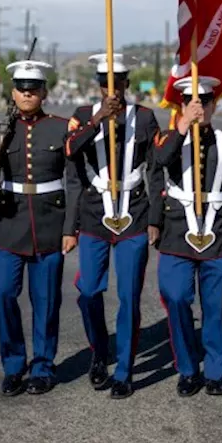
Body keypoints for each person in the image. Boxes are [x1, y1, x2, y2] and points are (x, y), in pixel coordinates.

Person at [63, 53, 161, 399]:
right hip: (93, 214)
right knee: (89, 290)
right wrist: (98, 119)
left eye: (117, 83)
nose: (111, 89)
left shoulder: (145, 118)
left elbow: (156, 170)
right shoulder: (81, 116)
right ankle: (99, 350)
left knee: (129, 295)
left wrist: (156, 218)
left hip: (134, 212)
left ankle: (124, 370)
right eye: (105, 83)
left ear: (127, 85)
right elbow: (70, 152)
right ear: (98, 85)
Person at [0, 60, 71, 397]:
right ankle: (14, 365)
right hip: (7, 225)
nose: (27, 94)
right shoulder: (0, 131)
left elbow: (73, 182)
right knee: (1, 293)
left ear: (43, 92)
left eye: (33, 89)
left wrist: (70, 228)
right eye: (21, 89)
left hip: (49, 224)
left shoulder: (61, 128)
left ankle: (43, 367)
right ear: (13, 93)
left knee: (46, 302)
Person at [151, 75, 222, 397]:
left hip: (219, 232)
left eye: (204, 102)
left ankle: (216, 371)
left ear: (213, 105)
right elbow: (160, 161)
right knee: (176, 297)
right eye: (191, 102)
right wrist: (182, 126)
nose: (198, 108)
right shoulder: (168, 137)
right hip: (177, 232)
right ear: (181, 105)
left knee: (216, 305)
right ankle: (188, 369)